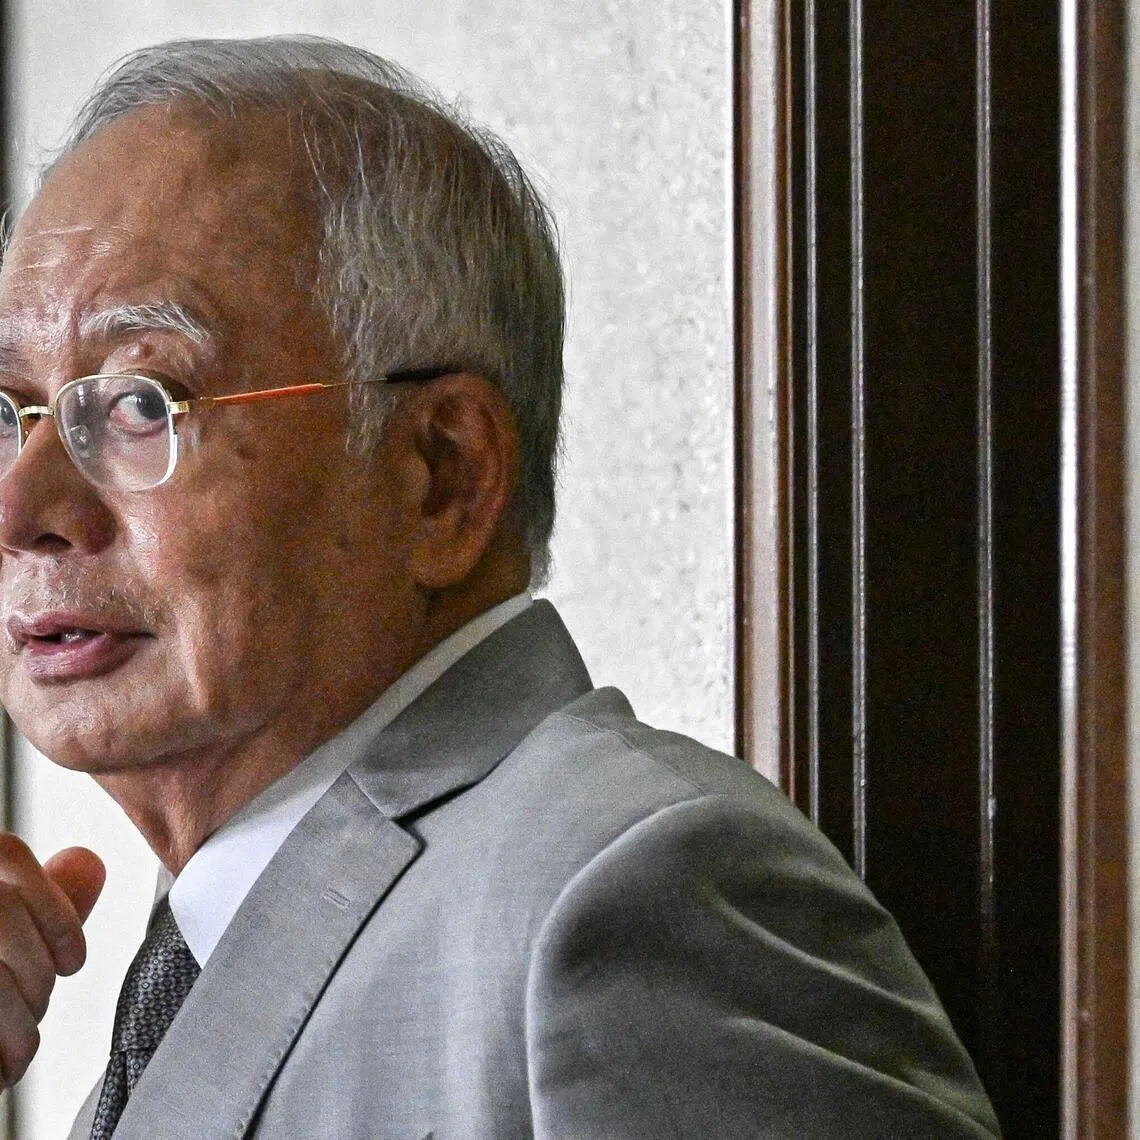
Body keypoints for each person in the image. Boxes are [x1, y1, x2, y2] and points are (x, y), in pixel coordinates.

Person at [0, 35, 999, 1139]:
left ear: (444, 475)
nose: (20, 508)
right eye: (12, 412)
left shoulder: (630, 893)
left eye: (142, 401)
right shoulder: (195, 950)